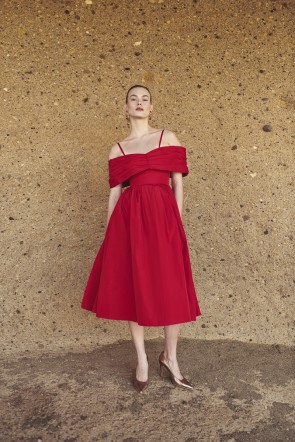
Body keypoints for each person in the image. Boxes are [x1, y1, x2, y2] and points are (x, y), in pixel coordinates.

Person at [81, 84, 201, 392]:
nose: (139, 103)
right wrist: (111, 236)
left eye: (144, 99)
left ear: (151, 108)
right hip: (129, 224)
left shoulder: (167, 137)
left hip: (163, 219)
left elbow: (178, 185)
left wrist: (175, 222)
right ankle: (142, 360)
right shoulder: (117, 148)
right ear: (125, 107)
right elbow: (113, 194)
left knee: (170, 286)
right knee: (134, 286)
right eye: (133, 99)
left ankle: (170, 358)